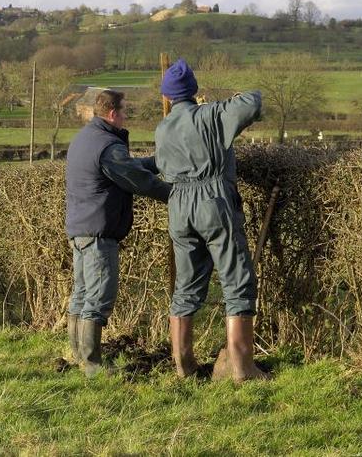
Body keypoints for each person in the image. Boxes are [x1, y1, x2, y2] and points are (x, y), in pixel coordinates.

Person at [154, 58, 270, 382]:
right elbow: (253, 101)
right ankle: (243, 368)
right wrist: (226, 102)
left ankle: (184, 365)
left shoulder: (163, 128)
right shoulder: (211, 115)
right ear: (194, 90)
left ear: (168, 96)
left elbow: (162, 167)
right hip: (212, 200)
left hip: (178, 205)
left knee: (186, 286)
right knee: (236, 281)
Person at [65, 89, 172, 377]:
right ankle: (92, 364)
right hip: (99, 231)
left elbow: (128, 167)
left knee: (83, 293)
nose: (126, 116)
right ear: (112, 113)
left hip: (80, 228)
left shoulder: (86, 138)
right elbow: (137, 180)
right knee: (99, 297)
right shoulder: (108, 146)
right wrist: (176, 194)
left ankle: (77, 355)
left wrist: (158, 161)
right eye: (124, 111)